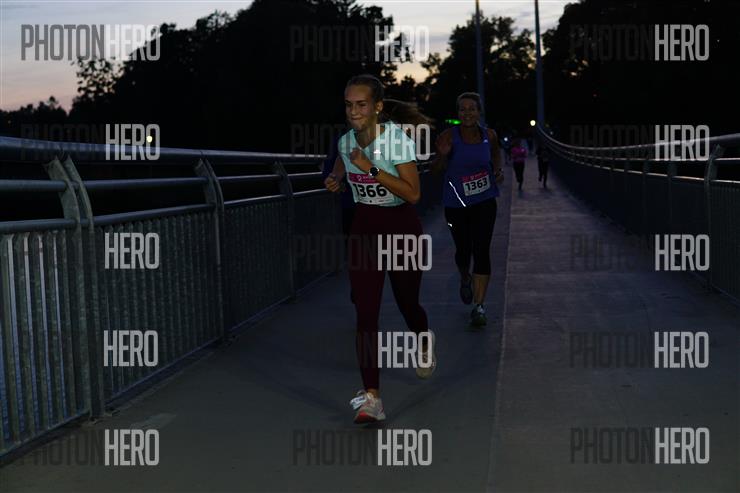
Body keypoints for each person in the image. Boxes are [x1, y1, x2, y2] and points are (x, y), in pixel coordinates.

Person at [324, 74, 435, 424]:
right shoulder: (346, 142)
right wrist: (336, 179)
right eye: (348, 105)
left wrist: (369, 168)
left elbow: (413, 193)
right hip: (365, 229)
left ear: (377, 107)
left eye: (361, 104)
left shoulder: (396, 141)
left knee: (407, 303)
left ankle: (423, 338)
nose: (353, 111)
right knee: (366, 312)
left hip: (401, 227)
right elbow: (342, 163)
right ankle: (372, 397)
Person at [432, 92, 503, 327]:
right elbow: (435, 170)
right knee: (463, 250)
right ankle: (465, 277)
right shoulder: (447, 137)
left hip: (485, 201)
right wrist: (442, 156)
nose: (467, 113)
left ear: (479, 111)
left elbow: (495, 154)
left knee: (482, 250)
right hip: (457, 205)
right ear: (457, 113)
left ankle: (479, 306)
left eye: (472, 108)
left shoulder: (489, 135)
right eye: (462, 109)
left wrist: (498, 170)